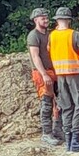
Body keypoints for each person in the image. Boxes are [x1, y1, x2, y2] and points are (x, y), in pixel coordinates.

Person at [50, 6, 79, 151]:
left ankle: (68, 141)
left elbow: (50, 51)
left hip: (60, 76)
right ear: (69, 20)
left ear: (57, 20)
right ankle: (76, 140)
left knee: (67, 107)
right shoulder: (74, 35)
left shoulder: (52, 36)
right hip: (75, 75)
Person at [26, 8, 62, 147]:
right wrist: (44, 74)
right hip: (41, 73)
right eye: (43, 18)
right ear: (36, 20)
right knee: (46, 103)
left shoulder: (49, 34)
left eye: (46, 18)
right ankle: (47, 133)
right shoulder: (33, 36)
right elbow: (35, 57)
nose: (46, 20)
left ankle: (58, 130)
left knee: (59, 102)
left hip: (53, 71)